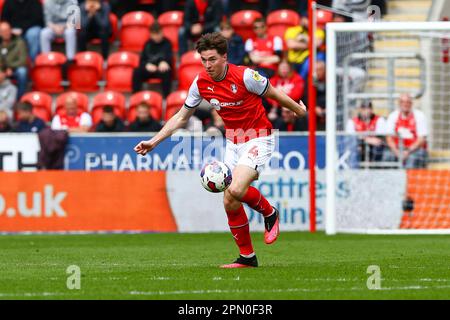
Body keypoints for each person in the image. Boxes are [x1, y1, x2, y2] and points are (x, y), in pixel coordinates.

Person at [134, 32, 307, 268]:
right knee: (230, 200)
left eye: (212, 59)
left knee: (235, 188)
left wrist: (299, 110)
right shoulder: (200, 83)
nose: (208, 65)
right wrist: (154, 141)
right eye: (204, 60)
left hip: (259, 138)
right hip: (233, 142)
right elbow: (181, 117)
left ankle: (269, 212)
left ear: (225, 57)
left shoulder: (246, 76)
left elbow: (274, 94)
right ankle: (247, 258)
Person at [383, 93, 428, 168]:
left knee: (411, 160)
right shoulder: (393, 116)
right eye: (402, 102)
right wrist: (397, 152)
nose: (405, 104)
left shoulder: (419, 116)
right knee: (387, 157)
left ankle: (408, 179)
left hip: (415, 150)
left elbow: (421, 139)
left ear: (411, 103)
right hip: (397, 149)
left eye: (408, 102)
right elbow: (389, 138)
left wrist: (408, 151)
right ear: (399, 104)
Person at [132, 23, 173, 98]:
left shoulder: (167, 43)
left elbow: (170, 58)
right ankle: (135, 96)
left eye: (158, 33)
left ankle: (166, 98)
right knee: (137, 71)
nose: (157, 36)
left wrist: (165, 62)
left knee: (167, 72)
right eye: (154, 34)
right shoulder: (147, 44)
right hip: (149, 69)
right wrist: (146, 65)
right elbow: (142, 61)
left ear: (162, 32)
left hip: (161, 70)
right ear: (150, 34)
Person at [0, 21, 29, 99]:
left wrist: (10, 68)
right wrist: (3, 70)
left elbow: (23, 60)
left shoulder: (19, 42)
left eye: (8, 30)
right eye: (3, 31)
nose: (6, 33)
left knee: (22, 72)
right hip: (2, 70)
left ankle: (20, 98)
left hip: (16, 69)